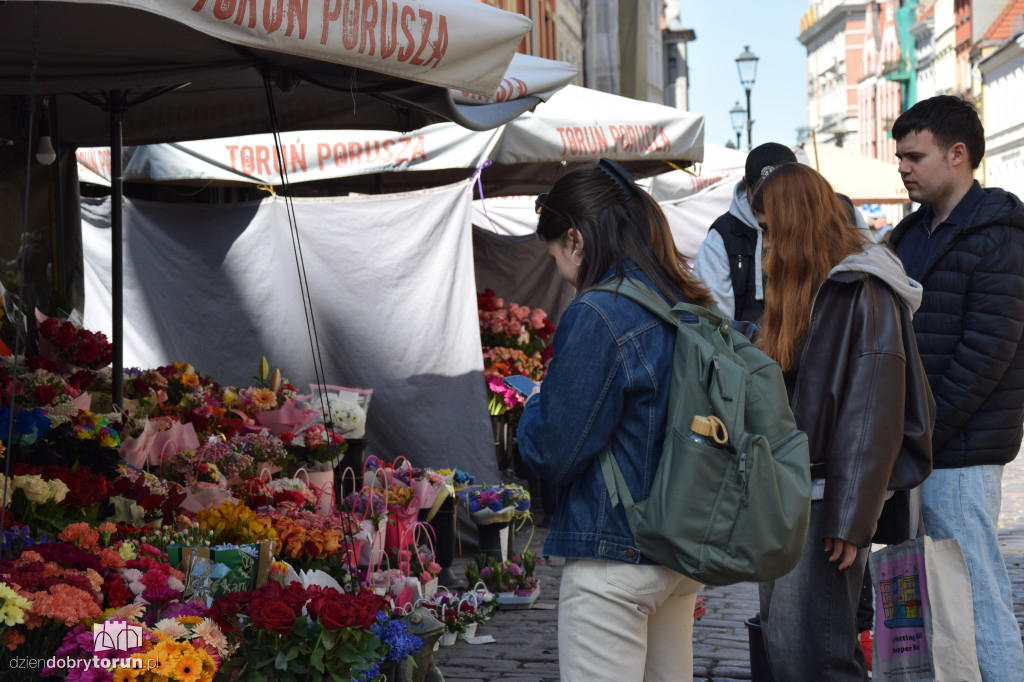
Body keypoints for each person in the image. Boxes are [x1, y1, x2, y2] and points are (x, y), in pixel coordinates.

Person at [517, 158, 713, 681]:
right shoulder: (677, 299)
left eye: (557, 254)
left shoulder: (598, 312)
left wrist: (536, 403)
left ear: (577, 240)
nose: (561, 270)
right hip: (677, 548)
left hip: (614, 553)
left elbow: (554, 453)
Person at [751, 163, 933, 681]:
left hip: (827, 499)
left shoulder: (862, 287)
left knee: (820, 652)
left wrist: (851, 517)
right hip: (800, 491)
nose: (764, 244)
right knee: (793, 646)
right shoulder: (819, 287)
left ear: (794, 225)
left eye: (768, 230)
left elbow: (872, 413)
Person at [889, 94, 1024, 681]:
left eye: (915, 156)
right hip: (914, 449)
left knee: (974, 595)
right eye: (900, 156)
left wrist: (923, 436)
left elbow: (985, 358)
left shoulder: (999, 234)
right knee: (917, 601)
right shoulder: (908, 234)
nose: (903, 167)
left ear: (959, 153)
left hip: (961, 453)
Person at [693, 142, 797, 322]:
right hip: (740, 348)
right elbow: (713, 321)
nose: (769, 205)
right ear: (745, 185)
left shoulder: (821, 227)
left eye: (779, 198)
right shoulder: (722, 237)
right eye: (761, 197)